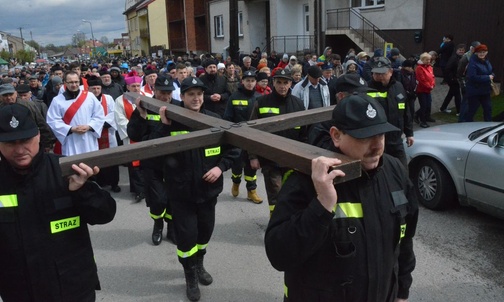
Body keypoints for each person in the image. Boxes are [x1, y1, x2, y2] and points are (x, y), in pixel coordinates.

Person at [265, 94, 418, 302]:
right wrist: (322, 205)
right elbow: (279, 254)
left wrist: (401, 290)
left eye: (381, 135)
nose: (377, 147)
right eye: (365, 137)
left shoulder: (394, 171)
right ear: (336, 135)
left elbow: (404, 238)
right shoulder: (306, 178)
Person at [0, 103, 117, 302]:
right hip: (19, 290)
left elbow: (105, 214)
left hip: (72, 287)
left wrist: (83, 190)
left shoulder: (66, 170)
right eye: (11, 143)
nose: (20, 149)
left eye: (26, 140)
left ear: (37, 135)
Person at [155, 77, 239, 301]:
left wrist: (220, 168)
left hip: (208, 192)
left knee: (205, 232)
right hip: (181, 194)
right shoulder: (170, 121)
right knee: (187, 238)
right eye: (190, 94)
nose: (196, 98)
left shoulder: (214, 120)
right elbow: (153, 150)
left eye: (199, 94)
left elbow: (233, 150)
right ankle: (190, 275)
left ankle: (199, 264)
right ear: (181, 97)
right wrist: (163, 127)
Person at [127, 75, 179, 245]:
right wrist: (141, 116)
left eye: (169, 93)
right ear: (154, 90)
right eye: (162, 92)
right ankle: (158, 225)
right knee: (158, 200)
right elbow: (134, 134)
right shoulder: (145, 107)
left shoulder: (179, 107)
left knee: (173, 198)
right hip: (153, 163)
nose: (166, 96)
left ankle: (172, 228)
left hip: (175, 162)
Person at [249, 69, 306, 215]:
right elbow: (252, 132)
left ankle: (287, 223)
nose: (282, 86)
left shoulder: (298, 105)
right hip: (270, 158)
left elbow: (304, 134)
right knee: (275, 194)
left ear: (290, 83)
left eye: (285, 82)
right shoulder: (261, 102)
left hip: (292, 158)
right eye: (278, 82)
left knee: (291, 194)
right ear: (273, 82)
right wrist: (253, 156)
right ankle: (275, 226)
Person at [223, 70, 263, 204]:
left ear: (255, 82)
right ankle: (235, 182)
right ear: (243, 81)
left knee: (252, 167)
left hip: (253, 138)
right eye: (247, 80)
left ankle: (252, 191)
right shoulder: (234, 97)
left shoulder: (259, 97)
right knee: (237, 165)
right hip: (238, 138)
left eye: (252, 81)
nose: (250, 83)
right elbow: (227, 118)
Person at [368, 57, 414, 168]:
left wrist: (409, 133)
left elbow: (405, 111)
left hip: (396, 139)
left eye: (382, 74)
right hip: (376, 142)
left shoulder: (398, 87)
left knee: (402, 171)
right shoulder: (367, 89)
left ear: (390, 72)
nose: (379, 77)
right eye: (376, 73)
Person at [47, 71, 105, 156]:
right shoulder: (57, 100)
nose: (74, 85)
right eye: (70, 82)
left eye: (76, 82)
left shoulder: (90, 96)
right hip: (71, 139)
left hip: (88, 138)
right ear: (65, 83)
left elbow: (99, 115)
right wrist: (71, 129)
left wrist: (89, 126)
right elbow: (52, 120)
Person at [114, 72, 145, 202]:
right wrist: (135, 130)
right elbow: (120, 120)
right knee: (134, 164)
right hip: (131, 135)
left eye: (138, 85)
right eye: (133, 86)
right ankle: (138, 190)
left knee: (146, 164)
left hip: (146, 135)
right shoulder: (120, 100)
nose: (136, 88)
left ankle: (146, 187)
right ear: (128, 87)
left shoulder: (147, 97)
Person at [87, 75, 120, 193]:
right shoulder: (85, 100)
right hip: (93, 134)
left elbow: (113, 112)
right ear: (88, 89)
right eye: (93, 89)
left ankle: (114, 183)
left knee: (112, 159)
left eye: (98, 88)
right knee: (96, 160)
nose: (96, 91)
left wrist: (102, 123)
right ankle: (99, 183)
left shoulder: (108, 98)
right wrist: (95, 125)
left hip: (108, 133)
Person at [0, 83, 55, 152]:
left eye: (10, 94)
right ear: (1, 97)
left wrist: (47, 143)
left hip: (30, 142)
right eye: (5, 95)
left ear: (15, 93)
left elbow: (41, 124)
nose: (8, 97)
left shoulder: (28, 105)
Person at [465, 44, 494, 122]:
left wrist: (492, 75)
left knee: (488, 109)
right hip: (475, 90)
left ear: (486, 52)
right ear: (476, 53)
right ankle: (466, 125)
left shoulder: (487, 60)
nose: (482, 54)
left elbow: (490, 71)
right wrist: (487, 77)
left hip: (485, 90)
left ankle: (488, 127)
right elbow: (472, 77)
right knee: (472, 110)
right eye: (480, 52)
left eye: (483, 52)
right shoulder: (473, 62)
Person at [439, 44, 466, 115]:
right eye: (460, 50)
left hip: (456, 78)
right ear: (456, 50)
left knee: (450, 94)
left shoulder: (460, 58)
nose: (461, 51)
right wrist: (451, 78)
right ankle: (459, 111)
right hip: (453, 79)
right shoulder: (454, 58)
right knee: (457, 95)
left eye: (463, 50)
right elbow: (447, 69)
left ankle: (443, 108)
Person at [414, 52, 436, 128]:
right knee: (424, 106)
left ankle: (426, 116)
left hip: (428, 89)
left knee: (428, 104)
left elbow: (432, 77)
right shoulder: (419, 68)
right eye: (427, 60)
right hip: (421, 90)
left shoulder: (429, 67)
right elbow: (421, 79)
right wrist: (429, 86)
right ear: (422, 60)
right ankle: (422, 120)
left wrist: (432, 84)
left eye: (429, 60)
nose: (428, 61)